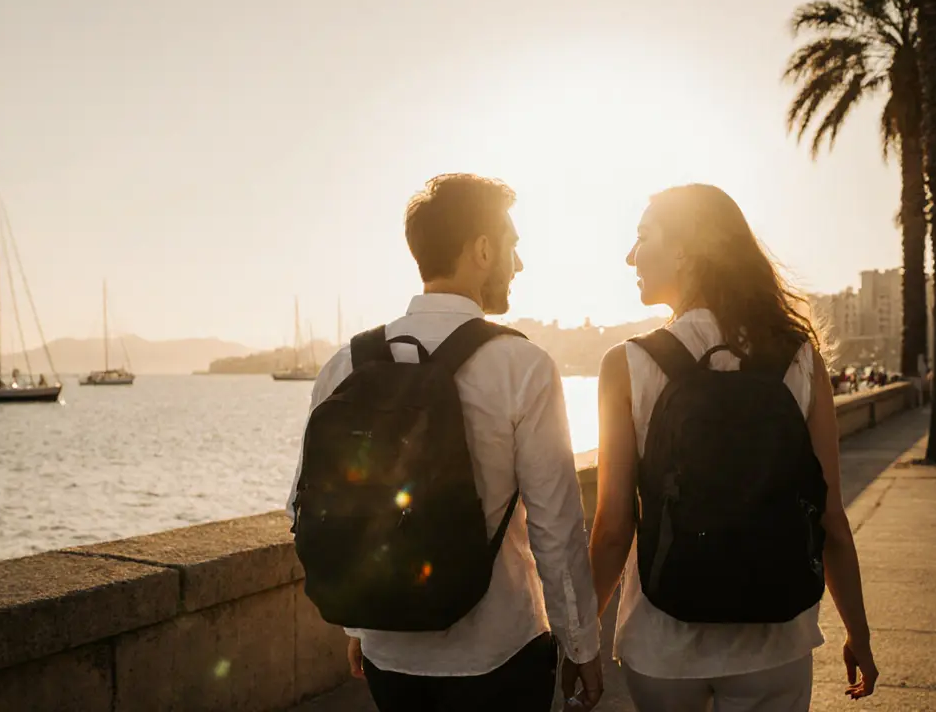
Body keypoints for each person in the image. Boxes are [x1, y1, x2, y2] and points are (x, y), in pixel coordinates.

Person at [286, 174, 603, 712]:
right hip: (500, 652)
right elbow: (556, 526)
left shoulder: (345, 365)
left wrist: (361, 625)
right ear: (482, 249)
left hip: (391, 657)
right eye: (512, 246)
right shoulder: (522, 366)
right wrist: (582, 646)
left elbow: (308, 505)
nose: (518, 264)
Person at [583, 184, 878, 711]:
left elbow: (611, 530)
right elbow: (830, 516)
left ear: (683, 249)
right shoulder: (799, 356)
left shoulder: (626, 365)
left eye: (642, 237)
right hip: (776, 639)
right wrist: (858, 632)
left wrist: (578, 639)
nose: (630, 255)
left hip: (664, 642)